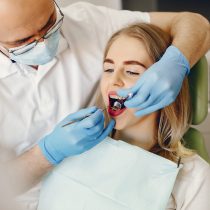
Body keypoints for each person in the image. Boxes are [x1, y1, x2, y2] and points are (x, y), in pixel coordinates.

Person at [0, 0, 209, 209]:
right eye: (24, 41)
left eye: (49, 23)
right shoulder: (78, 158)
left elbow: (195, 23)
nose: (114, 81)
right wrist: (46, 153)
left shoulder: (193, 178)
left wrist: (178, 62)